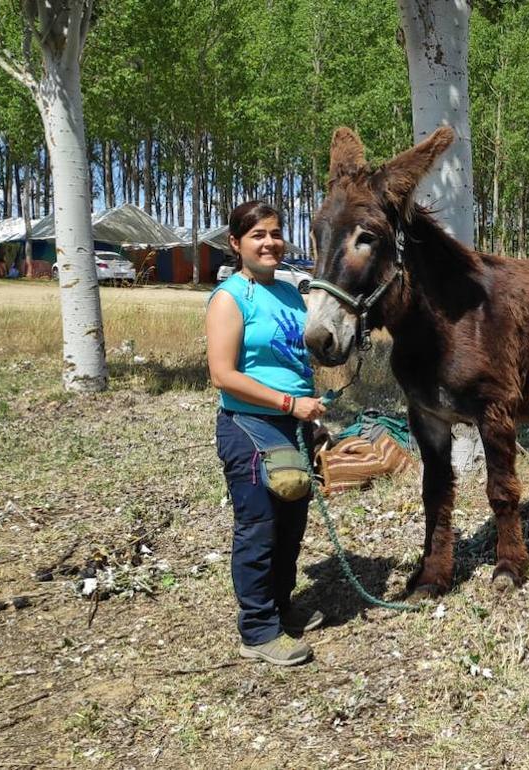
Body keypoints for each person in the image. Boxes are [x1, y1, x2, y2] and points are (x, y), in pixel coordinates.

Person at [206, 200, 326, 666]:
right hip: (249, 424)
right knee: (259, 529)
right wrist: (288, 403)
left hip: (294, 424)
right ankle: (257, 630)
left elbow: (297, 356)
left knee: (291, 524)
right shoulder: (229, 297)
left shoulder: (291, 293)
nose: (270, 242)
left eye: (275, 233)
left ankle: (281, 608)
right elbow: (223, 375)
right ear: (236, 244)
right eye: (258, 235)